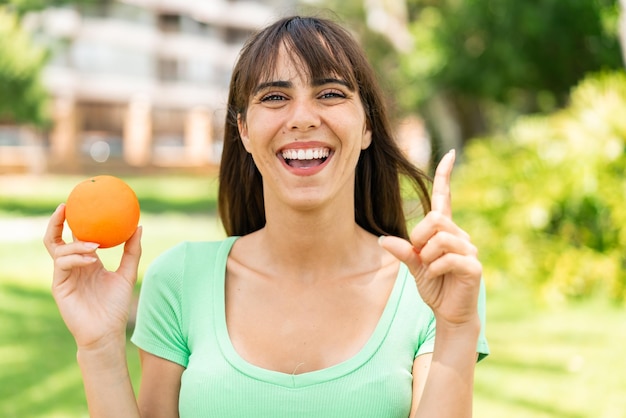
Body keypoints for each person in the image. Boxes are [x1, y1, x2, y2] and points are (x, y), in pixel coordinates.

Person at [43, 15, 488, 418]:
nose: (302, 118)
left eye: (330, 94)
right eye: (275, 97)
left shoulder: (432, 288)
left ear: (368, 126)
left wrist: (457, 328)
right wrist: (99, 345)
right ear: (244, 131)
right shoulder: (179, 280)